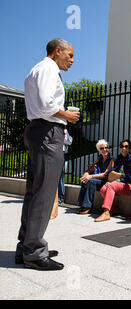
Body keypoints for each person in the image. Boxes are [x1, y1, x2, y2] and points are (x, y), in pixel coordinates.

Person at [16, 38, 79, 271]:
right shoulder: (48, 68)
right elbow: (46, 104)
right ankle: (33, 250)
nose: (72, 60)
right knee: (43, 193)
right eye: (70, 55)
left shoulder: (36, 69)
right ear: (58, 51)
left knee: (34, 192)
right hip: (47, 133)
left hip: (38, 131)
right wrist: (67, 116)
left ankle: (26, 245)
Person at [96, 139, 131, 222]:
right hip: (119, 184)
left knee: (111, 186)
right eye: (122, 146)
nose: (124, 148)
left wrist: (119, 180)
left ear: (129, 148)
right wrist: (110, 178)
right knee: (103, 189)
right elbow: (112, 171)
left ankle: (106, 212)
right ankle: (114, 208)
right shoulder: (119, 158)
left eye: (126, 146)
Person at [77, 139, 114, 215]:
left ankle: (87, 206)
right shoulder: (99, 158)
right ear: (99, 150)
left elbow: (105, 174)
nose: (105, 150)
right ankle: (81, 204)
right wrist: (86, 174)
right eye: (102, 148)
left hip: (105, 181)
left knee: (91, 181)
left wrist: (91, 176)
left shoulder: (112, 160)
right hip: (97, 180)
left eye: (106, 147)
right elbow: (91, 168)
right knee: (85, 181)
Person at [58, 128, 73, 205]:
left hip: (60, 152)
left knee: (60, 175)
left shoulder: (64, 130)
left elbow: (69, 141)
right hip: (53, 151)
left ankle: (60, 197)